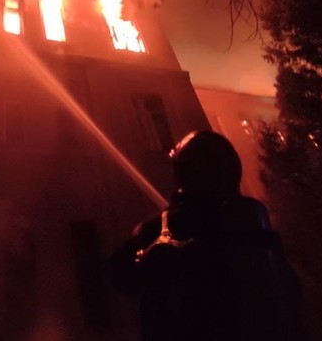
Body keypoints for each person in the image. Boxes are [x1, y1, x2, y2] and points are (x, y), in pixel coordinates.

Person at [107, 130, 303, 341]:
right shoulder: (253, 222)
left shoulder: (162, 227)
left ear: (183, 172)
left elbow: (119, 276)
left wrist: (148, 260)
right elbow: (291, 294)